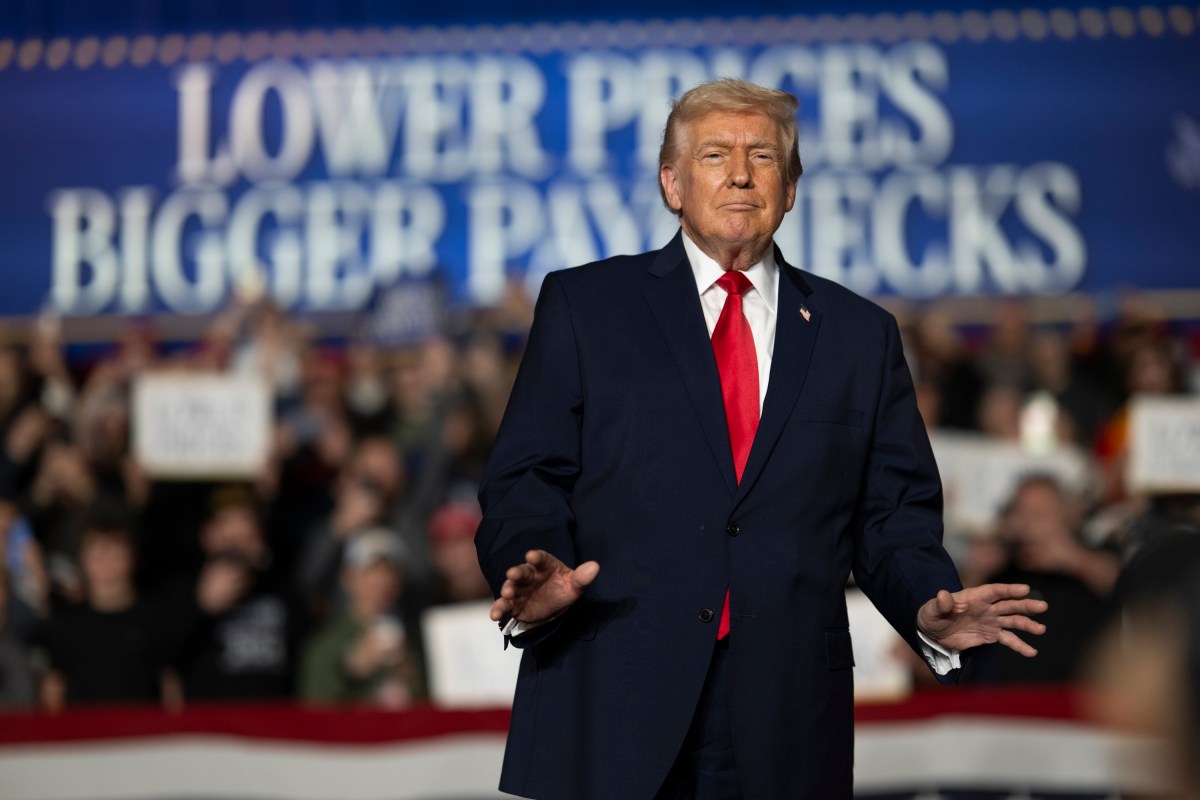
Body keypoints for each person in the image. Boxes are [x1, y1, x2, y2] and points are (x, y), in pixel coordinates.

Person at [476, 79, 1047, 800]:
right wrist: (537, 570)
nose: (742, 173)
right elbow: (523, 477)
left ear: (793, 185)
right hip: (612, 692)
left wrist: (927, 602)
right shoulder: (586, 306)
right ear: (672, 183)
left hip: (784, 715)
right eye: (715, 154)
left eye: (764, 156)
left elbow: (890, 517)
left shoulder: (857, 336)